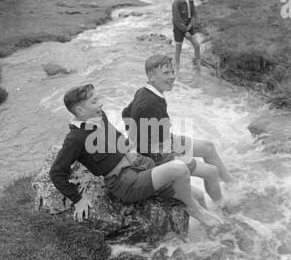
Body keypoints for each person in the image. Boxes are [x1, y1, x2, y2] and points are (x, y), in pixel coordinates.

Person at [49, 83, 223, 228]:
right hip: (125, 182)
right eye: (94, 102)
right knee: (180, 169)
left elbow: (119, 133)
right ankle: (195, 210)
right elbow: (56, 172)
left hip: (143, 166)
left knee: (198, 195)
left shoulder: (100, 117)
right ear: (79, 110)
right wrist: (77, 199)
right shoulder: (75, 139)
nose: (100, 104)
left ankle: (209, 232)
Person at [122, 55, 236, 212]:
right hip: (161, 154)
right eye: (166, 73)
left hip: (165, 141)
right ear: (151, 76)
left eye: (172, 72)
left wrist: (133, 139)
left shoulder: (144, 92)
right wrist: (174, 158)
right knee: (211, 172)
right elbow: (155, 150)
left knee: (208, 147)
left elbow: (126, 113)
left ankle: (232, 184)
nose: (172, 77)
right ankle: (221, 207)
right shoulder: (151, 104)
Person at [172, 0, 201, 71]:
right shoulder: (176, 2)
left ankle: (198, 67)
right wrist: (185, 31)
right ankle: (177, 69)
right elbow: (176, 20)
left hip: (189, 26)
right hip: (179, 29)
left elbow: (194, 13)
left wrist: (191, 24)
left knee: (197, 46)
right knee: (178, 50)